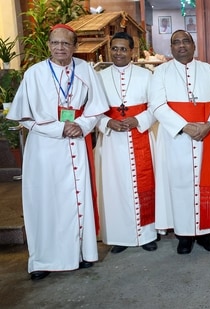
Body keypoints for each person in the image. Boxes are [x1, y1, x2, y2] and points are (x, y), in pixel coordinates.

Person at [6, 24, 109, 280]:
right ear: (48, 45)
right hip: (45, 148)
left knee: (77, 199)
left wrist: (82, 125)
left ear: (75, 46)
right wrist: (59, 129)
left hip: (76, 141)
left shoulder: (85, 70)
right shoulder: (35, 73)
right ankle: (42, 259)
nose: (60, 48)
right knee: (44, 202)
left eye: (66, 43)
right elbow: (25, 118)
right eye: (55, 43)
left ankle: (81, 253)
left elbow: (96, 107)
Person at [149, 30, 210, 254]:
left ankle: (205, 232)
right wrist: (184, 126)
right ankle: (184, 235)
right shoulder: (161, 72)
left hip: (207, 136)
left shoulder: (207, 69)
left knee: (206, 184)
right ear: (171, 48)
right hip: (176, 140)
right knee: (179, 185)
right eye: (176, 42)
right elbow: (156, 105)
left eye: (186, 41)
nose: (181, 46)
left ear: (194, 45)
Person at [95, 32, 157, 254]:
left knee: (146, 184)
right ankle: (120, 236)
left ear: (132, 51)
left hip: (141, 137)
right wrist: (107, 122)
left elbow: (156, 107)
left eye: (123, 49)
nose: (118, 53)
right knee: (116, 188)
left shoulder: (146, 76)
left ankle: (148, 234)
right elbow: (92, 111)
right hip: (113, 143)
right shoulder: (99, 77)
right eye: (114, 48)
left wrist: (138, 120)